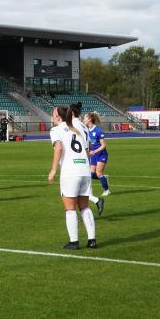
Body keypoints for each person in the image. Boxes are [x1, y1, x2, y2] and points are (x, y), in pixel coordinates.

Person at [47, 105, 97, 249]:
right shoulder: (79, 128)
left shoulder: (56, 130)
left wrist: (53, 170)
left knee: (70, 208)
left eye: (53, 114)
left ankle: (74, 241)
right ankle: (92, 240)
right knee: (85, 207)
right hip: (84, 170)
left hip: (70, 172)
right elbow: (88, 149)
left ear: (57, 116)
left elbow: (59, 147)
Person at [83, 112, 110, 197]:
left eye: (85, 118)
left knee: (98, 173)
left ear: (90, 119)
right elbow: (90, 144)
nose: (83, 120)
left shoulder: (98, 131)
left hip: (101, 154)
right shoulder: (87, 131)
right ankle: (104, 178)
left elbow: (103, 145)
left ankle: (106, 190)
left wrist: (95, 151)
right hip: (93, 155)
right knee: (92, 174)